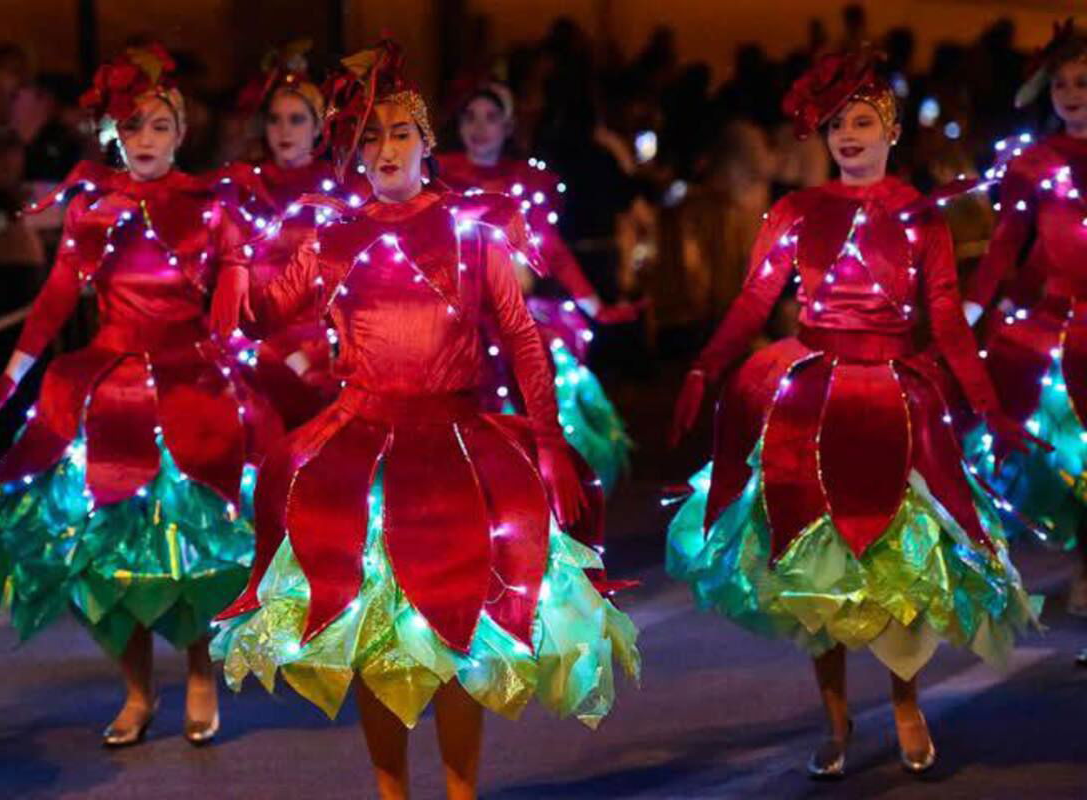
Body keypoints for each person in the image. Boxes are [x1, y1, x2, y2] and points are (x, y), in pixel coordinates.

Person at [209, 41, 638, 800]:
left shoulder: (472, 233)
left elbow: (523, 339)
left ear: (426, 142)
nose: (384, 150)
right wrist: (238, 253)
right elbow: (257, 317)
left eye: (399, 132)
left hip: (455, 452)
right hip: (361, 456)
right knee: (376, 643)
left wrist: (548, 444)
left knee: (458, 637)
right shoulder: (332, 237)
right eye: (369, 136)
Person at [666, 50, 1040, 778]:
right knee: (816, 563)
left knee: (894, 566)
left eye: (862, 121)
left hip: (890, 399)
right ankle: (835, 717)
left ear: (890, 130)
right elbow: (752, 301)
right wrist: (704, 364)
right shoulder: (796, 210)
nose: (848, 135)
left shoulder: (919, 218)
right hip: (810, 394)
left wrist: (988, 407)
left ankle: (905, 699)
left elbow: (946, 323)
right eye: (836, 123)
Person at [0, 43, 281, 747]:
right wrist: (11, 375)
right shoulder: (91, 209)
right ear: (114, 135)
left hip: (189, 392)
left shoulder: (211, 208)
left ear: (181, 135)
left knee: (194, 552)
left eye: (158, 127)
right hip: (108, 395)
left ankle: (198, 672)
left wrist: (233, 344)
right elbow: (51, 301)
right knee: (105, 554)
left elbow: (234, 291)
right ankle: (136, 691)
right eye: (131, 128)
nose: (144, 141)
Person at [438, 81, 639, 491]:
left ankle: (528, 491)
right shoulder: (438, 176)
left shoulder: (526, 181)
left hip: (513, 315)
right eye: (470, 117)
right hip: (451, 317)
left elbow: (552, 248)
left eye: (491, 117)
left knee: (535, 396)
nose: (480, 127)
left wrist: (595, 306)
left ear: (508, 125)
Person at [961, 20, 1087, 630]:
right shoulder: (1035, 163)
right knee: (1069, 462)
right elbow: (1006, 245)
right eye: (1060, 83)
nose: (1070, 93)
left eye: (1083, 82)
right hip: (1058, 329)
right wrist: (970, 308)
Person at [211, 42, 338, 425]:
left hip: (329, 348)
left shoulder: (339, 189)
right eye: (275, 119)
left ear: (319, 127)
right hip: (257, 343)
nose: (284, 130)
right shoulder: (243, 187)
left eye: (297, 119)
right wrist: (284, 351)